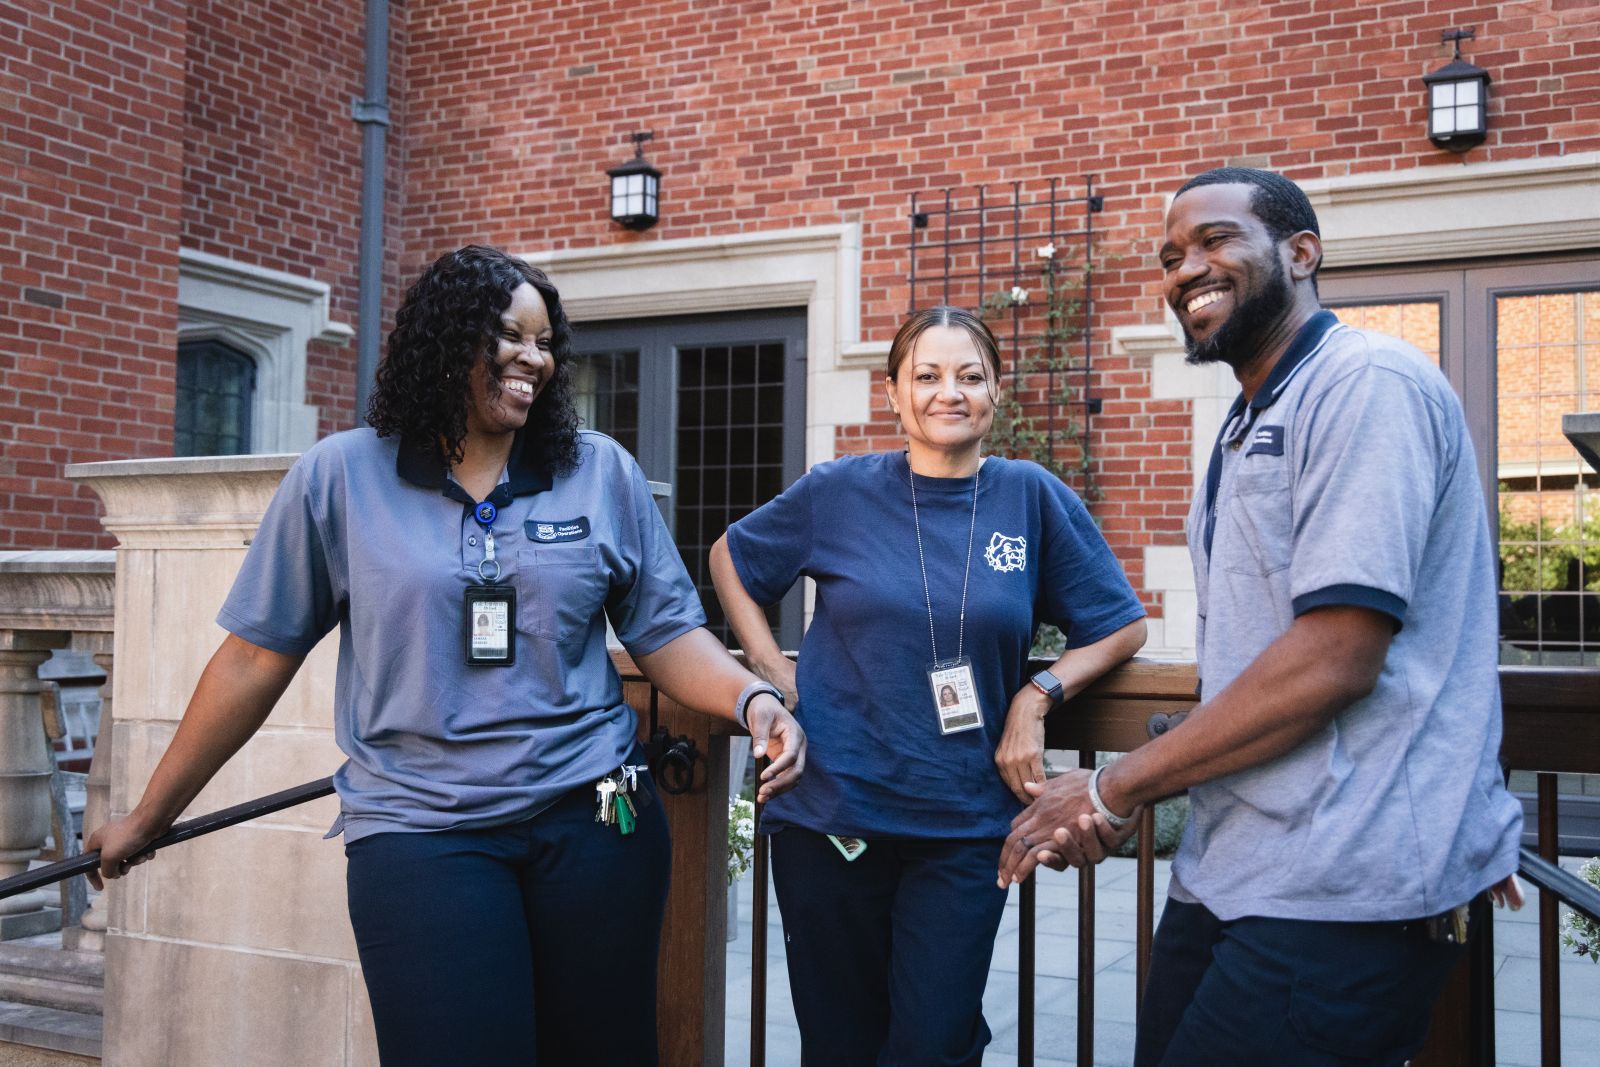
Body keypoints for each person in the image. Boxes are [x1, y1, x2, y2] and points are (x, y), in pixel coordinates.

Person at [87, 246, 806, 1066]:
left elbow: (666, 635)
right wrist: (150, 815)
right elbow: (254, 659)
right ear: (447, 337)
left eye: (545, 341)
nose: (533, 358)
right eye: (509, 335)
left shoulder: (597, 470)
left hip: (598, 816)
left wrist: (754, 701)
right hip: (422, 832)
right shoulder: (342, 477)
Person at [998, 168, 1525, 1066]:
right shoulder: (1247, 416)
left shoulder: (1366, 381)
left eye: (1215, 241)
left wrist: (1110, 786)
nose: (1186, 269)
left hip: (1345, 888)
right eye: (1170, 257)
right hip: (1236, 868)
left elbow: (1335, 657)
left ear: (1302, 253)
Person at [711, 305, 1146, 1066]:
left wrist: (1036, 693)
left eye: (971, 376)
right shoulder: (839, 491)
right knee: (840, 1043)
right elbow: (730, 558)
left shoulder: (1029, 497)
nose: (951, 392)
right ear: (894, 393)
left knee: (934, 1041)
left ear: (996, 392)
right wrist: (772, 668)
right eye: (929, 375)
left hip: (965, 826)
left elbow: (1120, 624)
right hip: (832, 814)